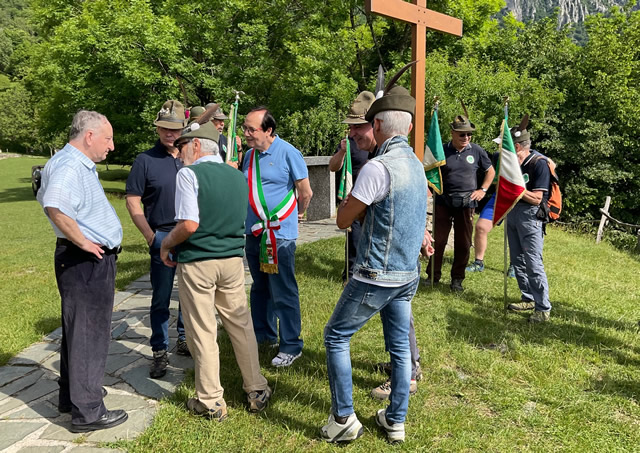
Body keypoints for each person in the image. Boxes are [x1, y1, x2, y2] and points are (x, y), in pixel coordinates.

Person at [321, 83, 427, 444]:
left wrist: (353, 202)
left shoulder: (378, 168)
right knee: (399, 349)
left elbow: (342, 219)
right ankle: (395, 420)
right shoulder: (416, 162)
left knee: (335, 336)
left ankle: (343, 418)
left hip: (376, 273)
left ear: (378, 127)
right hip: (407, 275)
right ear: (409, 128)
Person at [160, 118, 272, 420]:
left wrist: (166, 244)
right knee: (240, 322)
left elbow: (188, 224)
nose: (179, 152)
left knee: (203, 329)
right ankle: (256, 387)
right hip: (233, 260)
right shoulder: (238, 176)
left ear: (197, 145)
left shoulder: (188, 175)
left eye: (183, 146)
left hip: (198, 260)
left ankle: (210, 399)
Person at [37, 110, 128, 432]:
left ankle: (73, 396)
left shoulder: (69, 162)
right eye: (108, 138)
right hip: (84, 261)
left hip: (80, 259)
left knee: (79, 333)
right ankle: (88, 412)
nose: (112, 147)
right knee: (90, 334)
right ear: (89, 136)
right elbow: (54, 204)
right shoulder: (70, 165)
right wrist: (84, 242)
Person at [242, 107, 313, 367]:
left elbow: (305, 192)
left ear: (268, 130)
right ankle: (264, 335)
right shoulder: (249, 156)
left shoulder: (288, 153)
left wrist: (298, 215)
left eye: (252, 129)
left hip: (279, 235)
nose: (246, 134)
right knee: (260, 287)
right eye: (245, 128)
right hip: (255, 232)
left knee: (283, 290)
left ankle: (291, 345)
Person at [125, 100, 190, 380]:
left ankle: (185, 339)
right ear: (158, 129)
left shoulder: (191, 157)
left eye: (174, 129)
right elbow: (132, 200)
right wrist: (150, 235)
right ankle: (159, 351)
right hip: (162, 234)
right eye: (164, 128)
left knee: (189, 296)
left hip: (189, 234)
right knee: (161, 298)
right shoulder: (145, 160)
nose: (169, 134)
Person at [426, 114, 495, 292]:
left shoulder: (477, 151)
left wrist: (483, 190)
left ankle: (457, 279)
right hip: (443, 200)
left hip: (466, 203)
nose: (466, 138)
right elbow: (429, 173)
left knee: (463, 243)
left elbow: (491, 171)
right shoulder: (441, 150)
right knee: (438, 241)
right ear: (452, 133)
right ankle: (433, 275)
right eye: (462, 134)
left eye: (469, 135)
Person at [505, 125, 552, 323]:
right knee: (517, 261)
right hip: (513, 212)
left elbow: (537, 198)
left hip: (531, 215)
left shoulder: (539, 164)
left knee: (533, 262)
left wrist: (515, 189)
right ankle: (528, 297)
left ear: (516, 146)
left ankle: (543, 308)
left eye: (506, 146)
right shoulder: (513, 164)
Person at [329, 91, 375, 284]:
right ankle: (350, 273)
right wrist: (341, 152)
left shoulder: (382, 147)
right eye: (351, 127)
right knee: (354, 237)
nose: (353, 132)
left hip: (373, 198)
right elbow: (333, 167)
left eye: (358, 126)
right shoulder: (348, 142)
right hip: (355, 195)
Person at [465, 146, 516, 278]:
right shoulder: (498, 156)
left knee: (515, 232)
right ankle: (478, 262)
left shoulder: (531, 158)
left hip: (518, 199)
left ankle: (515, 265)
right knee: (481, 227)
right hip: (499, 197)